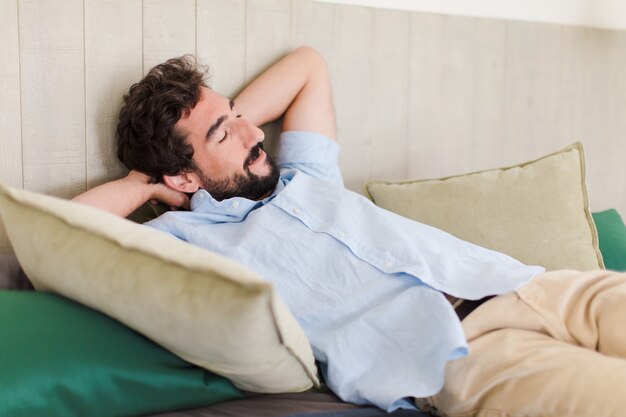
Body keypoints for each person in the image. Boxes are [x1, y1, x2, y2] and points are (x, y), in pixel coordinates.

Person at [74, 46, 626, 416]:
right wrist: (147, 182)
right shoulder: (184, 242)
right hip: (460, 354)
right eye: (225, 133)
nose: (251, 131)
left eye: (239, 113)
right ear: (183, 174)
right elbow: (67, 236)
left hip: (534, 287)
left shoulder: (304, 176)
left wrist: (223, 126)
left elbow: (308, 64)